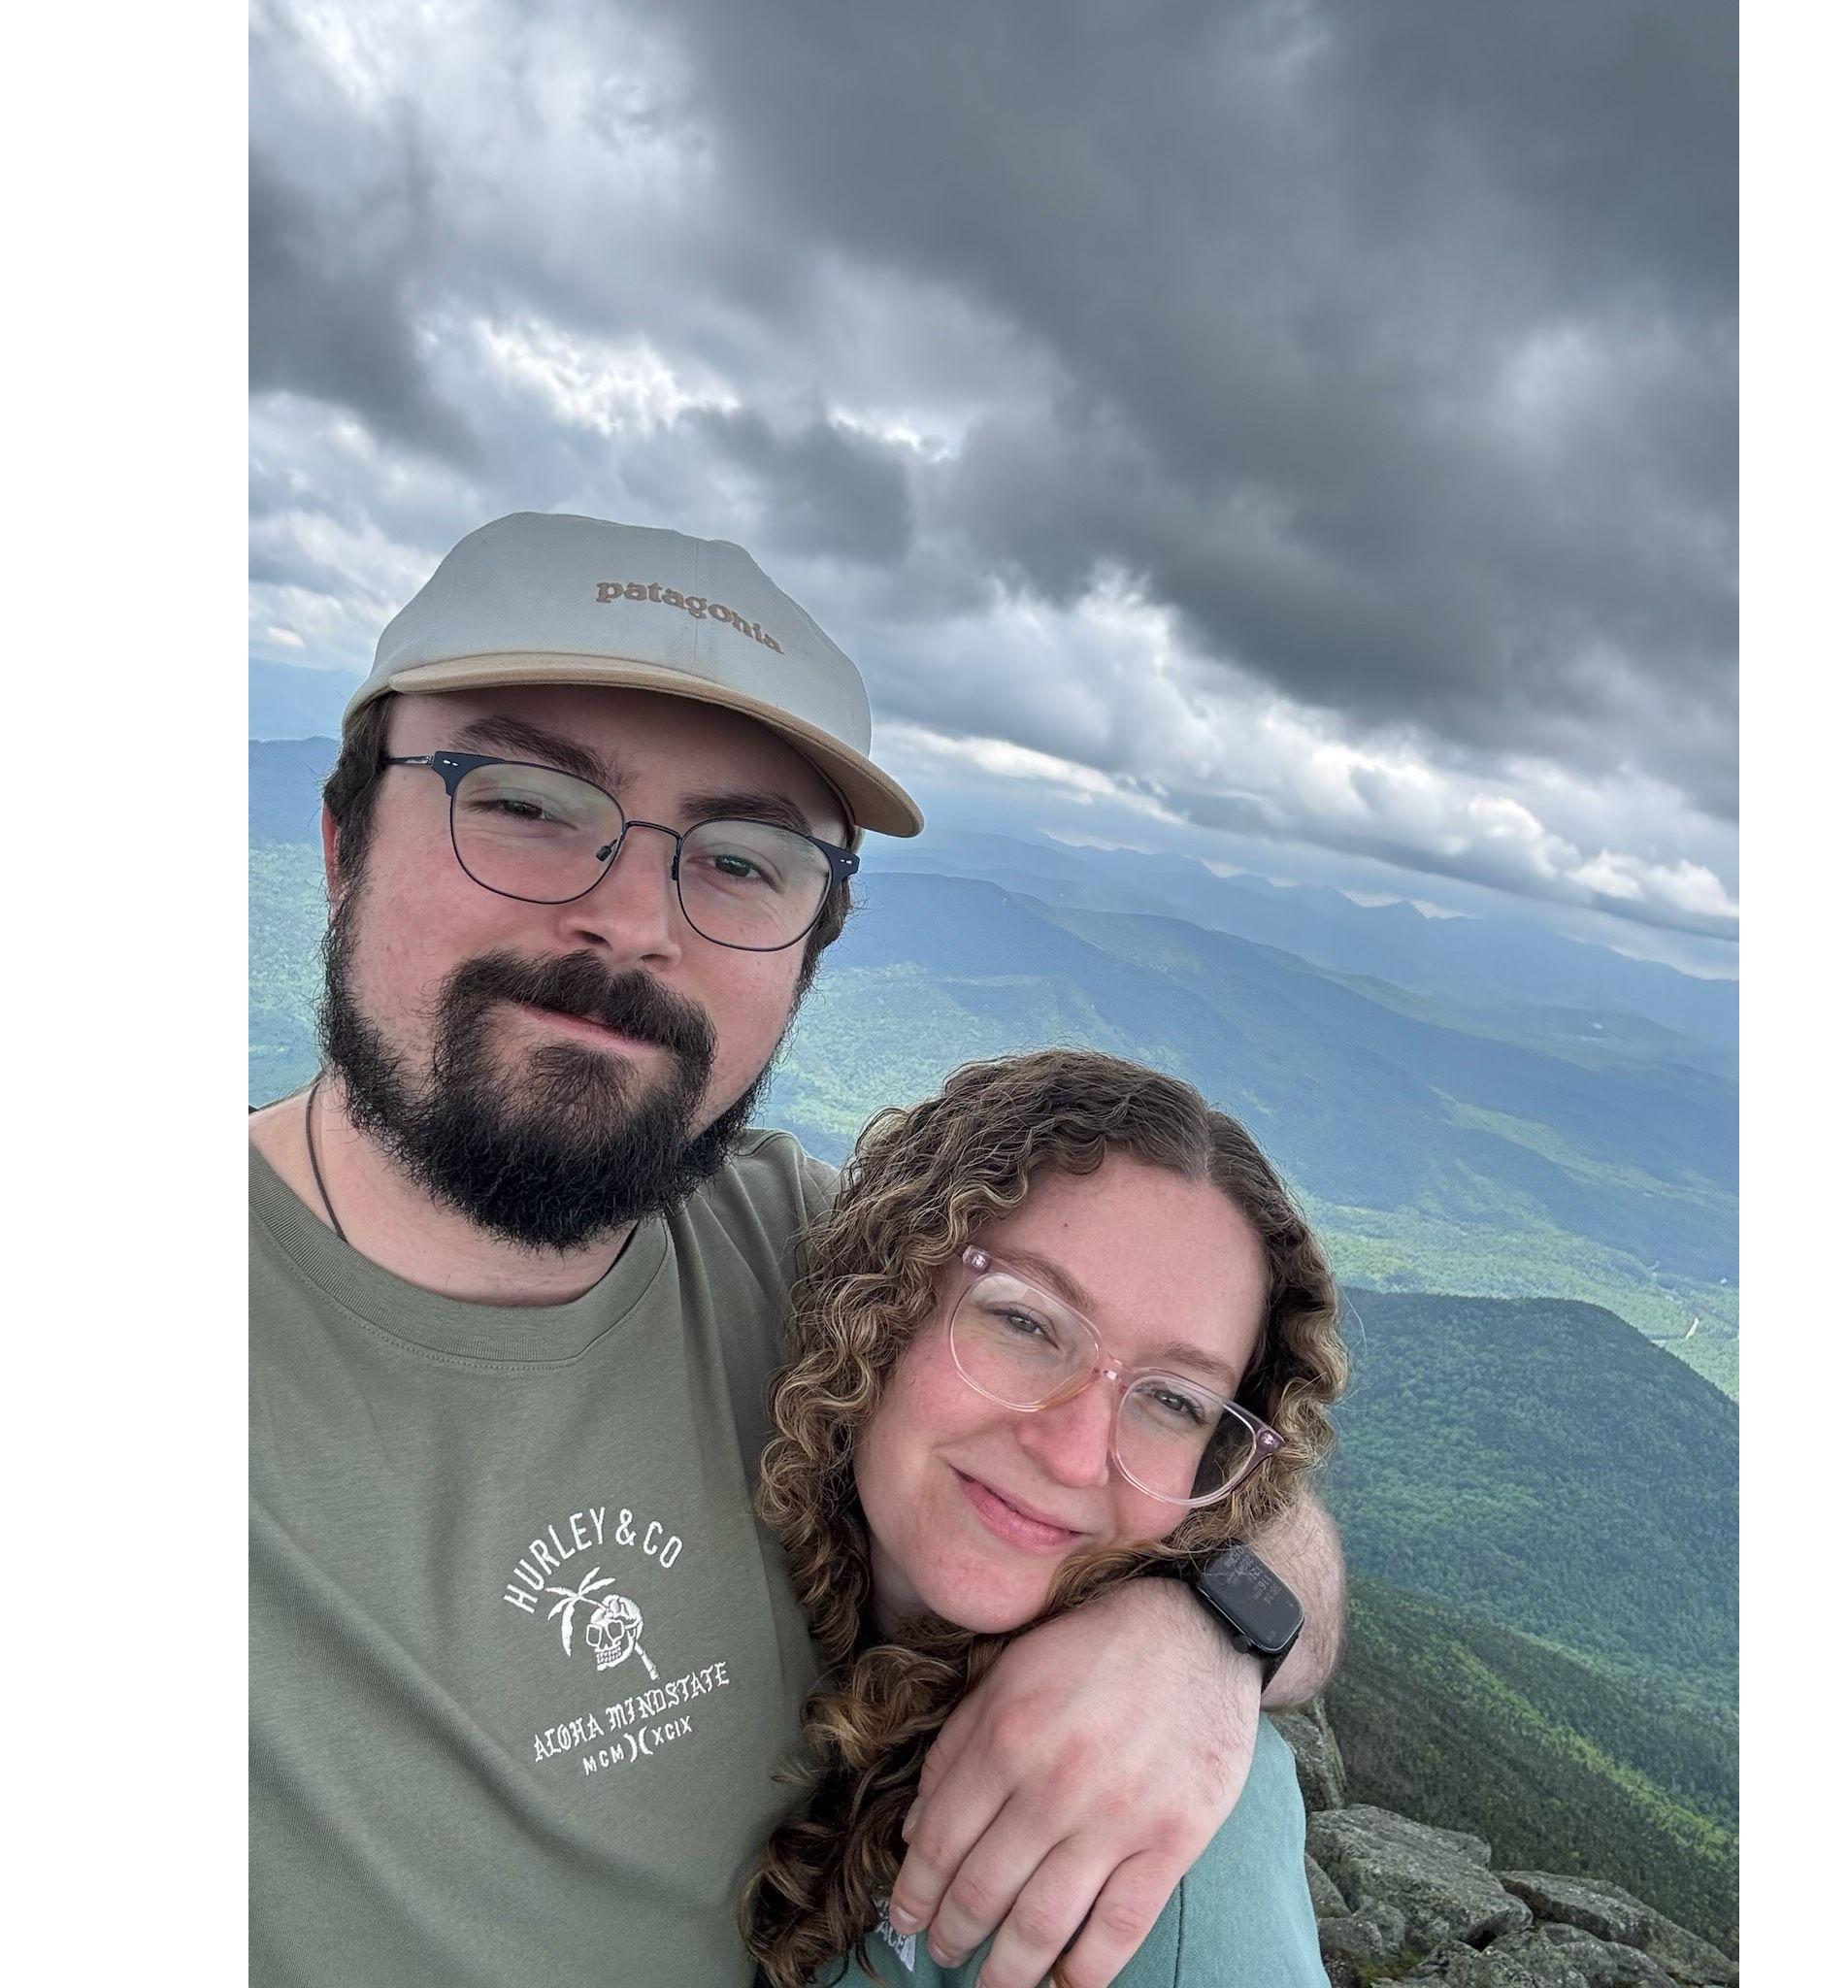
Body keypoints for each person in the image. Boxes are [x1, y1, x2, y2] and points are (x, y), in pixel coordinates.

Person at [250, 511, 1348, 1988]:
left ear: (811, 955)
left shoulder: (804, 1258)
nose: (632, 917)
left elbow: (1197, 1450)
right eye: (522, 798)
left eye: (747, 862)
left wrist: (1206, 1631)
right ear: (340, 844)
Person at [742, 1050, 1344, 1987]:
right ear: (882, 1299)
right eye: (1026, 1323)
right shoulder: (738, 1462)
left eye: (1175, 1401)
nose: (1072, 1451)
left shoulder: (1167, 1870)